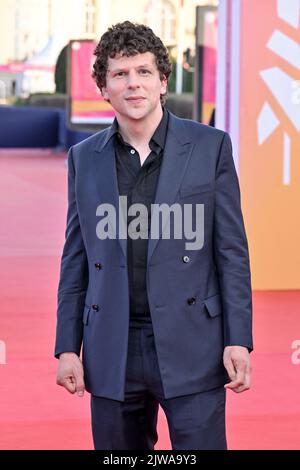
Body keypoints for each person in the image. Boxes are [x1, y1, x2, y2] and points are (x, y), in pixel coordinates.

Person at [55, 21, 253, 450]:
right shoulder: (83, 159)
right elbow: (77, 259)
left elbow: (231, 252)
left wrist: (238, 338)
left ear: (163, 81)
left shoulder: (210, 147)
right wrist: (67, 346)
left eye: (144, 72)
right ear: (103, 87)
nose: (133, 84)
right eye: (120, 74)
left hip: (192, 343)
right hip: (112, 348)